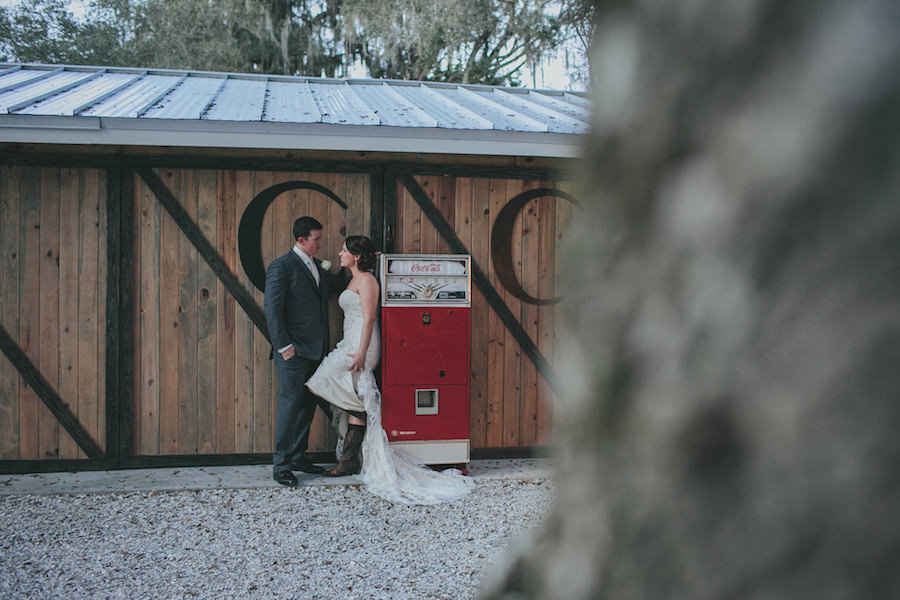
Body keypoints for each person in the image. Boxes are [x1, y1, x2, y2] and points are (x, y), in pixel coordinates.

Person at [307, 235, 474, 504]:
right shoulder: (351, 278)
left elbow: (370, 317)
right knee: (336, 389)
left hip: (363, 345)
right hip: (349, 341)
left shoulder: (368, 281)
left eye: (345, 250)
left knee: (326, 382)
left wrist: (361, 352)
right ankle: (351, 451)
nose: (339, 253)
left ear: (357, 256)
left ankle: (350, 451)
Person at [264, 216, 346, 487]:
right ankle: (282, 465)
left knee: (307, 405)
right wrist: (285, 348)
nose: (321, 243)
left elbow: (335, 286)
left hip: (317, 351)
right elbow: (272, 310)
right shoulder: (281, 267)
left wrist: (361, 261)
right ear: (301, 240)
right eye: (316, 239)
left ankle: (298, 456)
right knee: (289, 406)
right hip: (294, 352)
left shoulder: (317, 267)